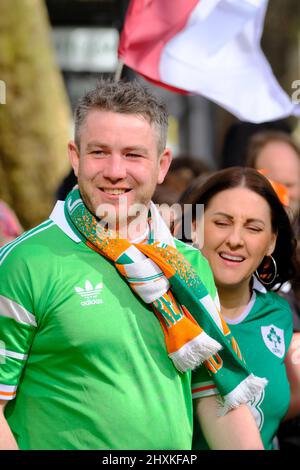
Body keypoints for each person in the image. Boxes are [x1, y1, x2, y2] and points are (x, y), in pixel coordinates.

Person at [0, 80, 264, 450]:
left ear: (162, 165)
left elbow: (214, 397)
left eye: (133, 155)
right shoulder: (25, 263)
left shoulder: (189, 267)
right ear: (75, 157)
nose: (114, 170)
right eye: (99, 152)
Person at [175, 167, 299, 450]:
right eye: (221, 222)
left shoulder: (278, 315)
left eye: (253, 228)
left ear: (271, 241)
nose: (235, 239)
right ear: (194, 226)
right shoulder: (165, 308)